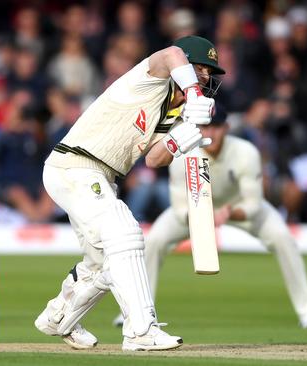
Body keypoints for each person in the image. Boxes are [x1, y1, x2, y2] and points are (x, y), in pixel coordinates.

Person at [33, 35, 222, 351]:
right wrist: (192, 93)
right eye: (200, 68)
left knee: (101, 264)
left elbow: (153, 159)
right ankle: (140, 331)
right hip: (75, 164)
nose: (205, 77)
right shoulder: (150, 79)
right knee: (124, 233)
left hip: (101, 177)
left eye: (208, 73)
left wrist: (183, 136)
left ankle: (57, 318)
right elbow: (172, 53)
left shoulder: (175, 112)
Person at [112, 105, 307, 329]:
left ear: (226, 128)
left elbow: (253, 203)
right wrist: (203, 215)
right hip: (195, 211)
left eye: (216, 127)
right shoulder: (183, 155)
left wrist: (230, 211)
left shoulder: (245, 152)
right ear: (196, 129)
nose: (210, 134)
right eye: (204, 127)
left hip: (236, 207)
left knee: (282, 237)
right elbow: (180, 207)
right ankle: (136, 312)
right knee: (154, 240)